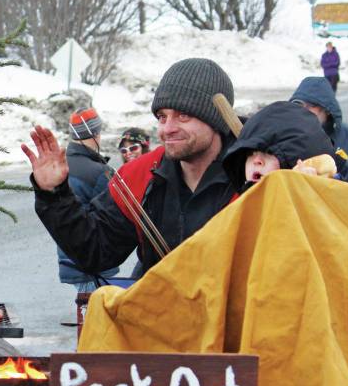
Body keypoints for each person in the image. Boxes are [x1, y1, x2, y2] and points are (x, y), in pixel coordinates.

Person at [24, 57, 238, 279]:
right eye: (162, 117)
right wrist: (54, 194)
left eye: (183, 115)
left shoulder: (253, 175)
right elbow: (96, 250)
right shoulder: (141, 176)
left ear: (216, 119)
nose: (168, 128)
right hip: (164, 310)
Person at [58, 108, 119, 292]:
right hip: (95, 264)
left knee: (85, 312)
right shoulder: (100, 173)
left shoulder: (61, 165)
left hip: (69, 258)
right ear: (95, 134)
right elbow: (115, 217)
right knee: (96, 316)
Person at [223, 101, 342, 190]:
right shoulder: (238, 205)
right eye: (249, 154)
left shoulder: (317, 198)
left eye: (269, 153)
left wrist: (309, 194)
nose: (257, 161)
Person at [290, 76, 348, 180]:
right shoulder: (287, 138)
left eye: (310, 105)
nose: (303, 110)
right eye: (298, 104)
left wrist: (344, 167)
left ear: (326, 109)